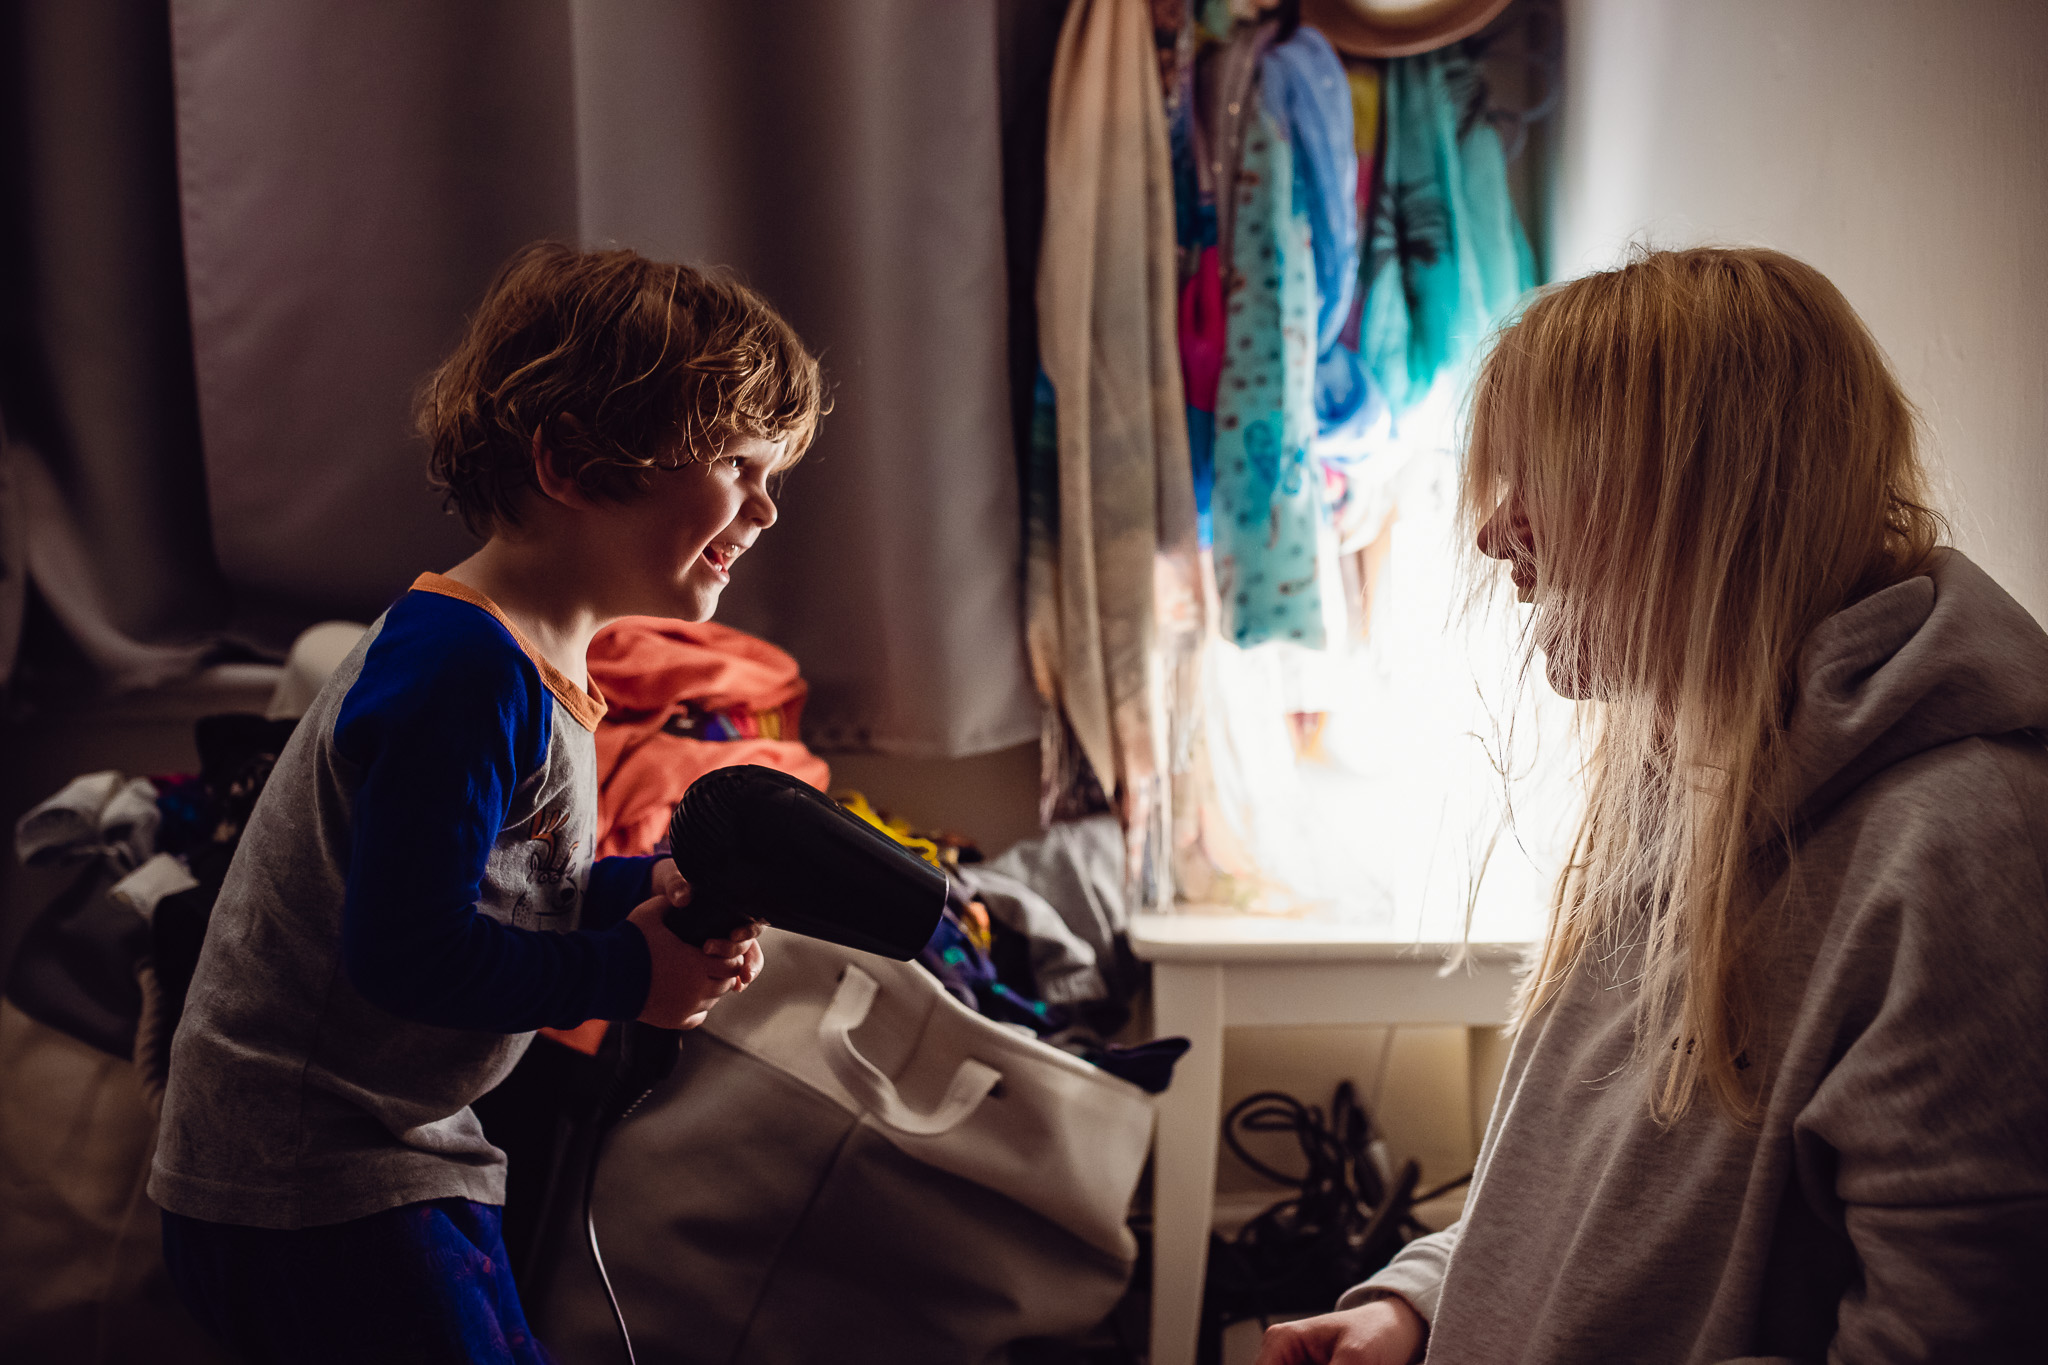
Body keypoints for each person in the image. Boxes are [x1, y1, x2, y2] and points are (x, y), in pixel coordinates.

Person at [1258, 247, 2048, 1364]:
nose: (1495, 534)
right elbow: (1583, 1189)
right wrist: (1416, 1306)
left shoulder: (1966, 850)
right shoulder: (1685, 769)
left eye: (1540, 478)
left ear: (1707, 492)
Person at [148, 242, 825, 1363]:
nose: (762, 510)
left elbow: (514, 892)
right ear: (568, 461)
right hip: (301, 1182)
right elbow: (410, 955)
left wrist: (635, 893)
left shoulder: (539, 659)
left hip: (395, 1143)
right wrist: (628, 974)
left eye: (773, 477)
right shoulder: (465, 670)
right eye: (737, 465)